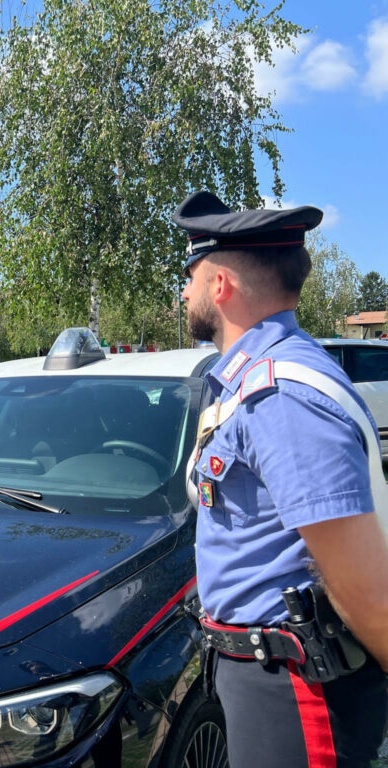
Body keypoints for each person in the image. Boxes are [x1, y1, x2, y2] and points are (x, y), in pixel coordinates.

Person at [174, 190, 388, 767]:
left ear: (221, 285)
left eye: (190, 274)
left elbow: (366, 589)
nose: (185, 291)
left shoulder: (282, 394)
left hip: (300, 688)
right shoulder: (256, 379)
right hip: (270, 675)